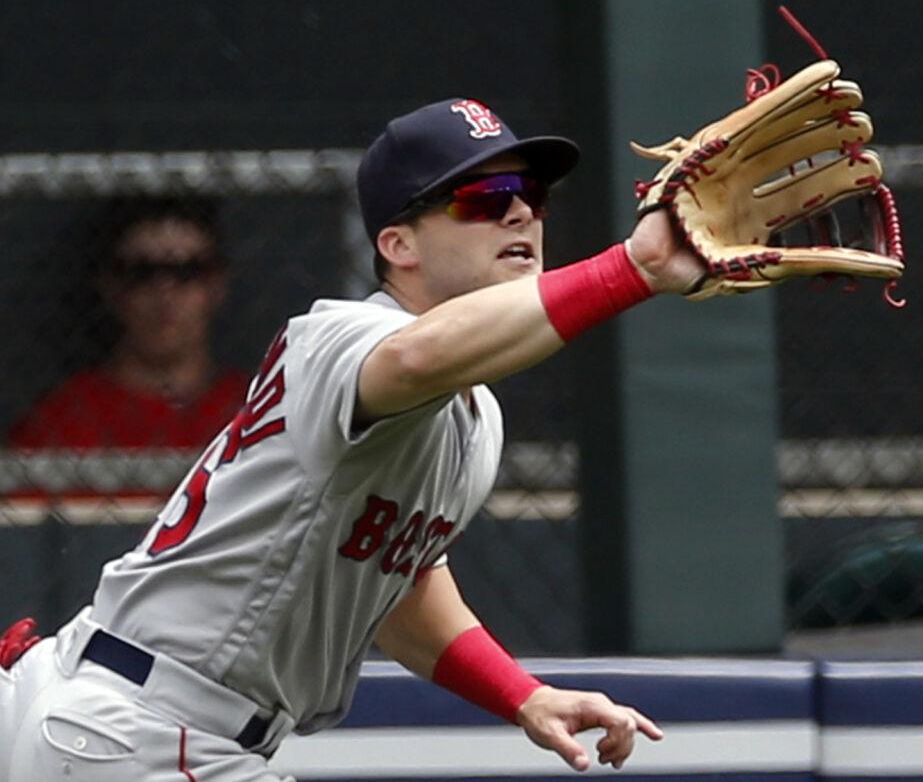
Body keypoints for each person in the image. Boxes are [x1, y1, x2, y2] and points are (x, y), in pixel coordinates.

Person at [0, 96, 709, 781]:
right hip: (142, 728)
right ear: (397, 244)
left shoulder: (477, 416)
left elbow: (395, 589)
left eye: (530, 195)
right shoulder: (344, 335)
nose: (520, 210)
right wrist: (631, 270)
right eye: (484, 197)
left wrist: (521, 694)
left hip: (129, 719)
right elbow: (416, 357)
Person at [6, 196, 248, 452]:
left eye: (187, 272)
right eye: (142, 273)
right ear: (110, 286)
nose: (165, 295)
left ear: (218, 284)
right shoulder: (62, 421)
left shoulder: (254, 411)